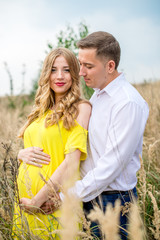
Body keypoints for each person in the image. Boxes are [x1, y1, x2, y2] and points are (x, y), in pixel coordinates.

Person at [19, 32, 149, 240]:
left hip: (112, 203)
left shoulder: (127, 103)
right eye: (80, 65)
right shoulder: (98, 96)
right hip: (88, 196)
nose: (80, 73)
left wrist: (65, 196)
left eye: (88, 66)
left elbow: (110, 167)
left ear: (110, 66)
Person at [12, 47, 91, 239]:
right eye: (54, 70)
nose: (60, 76)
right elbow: (33, 147)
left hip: (52, 205)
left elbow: (72, 162)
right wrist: (20, 155)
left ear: (74, 73)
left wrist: (36, 201)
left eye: (66, 70)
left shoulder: (81, 108)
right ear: (46, 73)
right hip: (26, 205)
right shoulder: (41, 110)